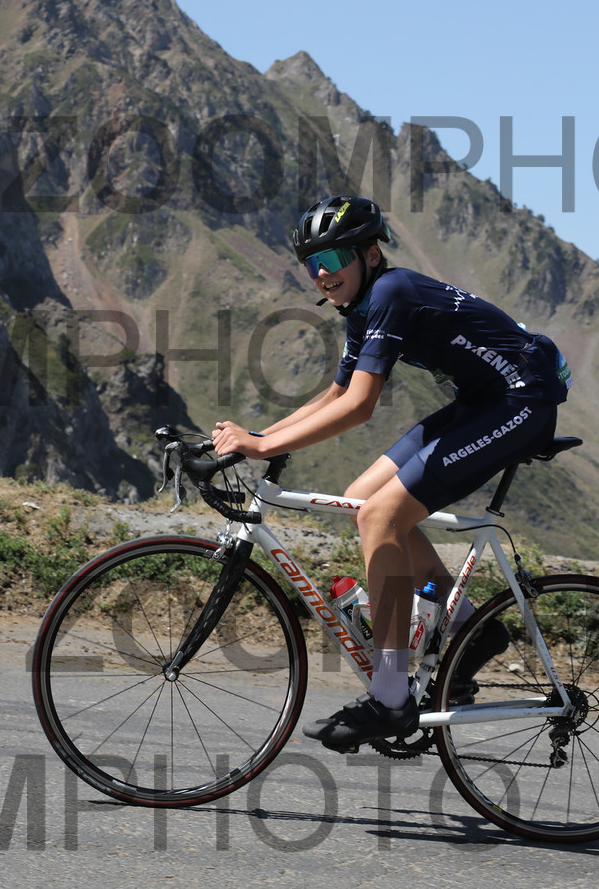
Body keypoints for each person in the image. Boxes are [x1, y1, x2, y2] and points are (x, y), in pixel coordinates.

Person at [211, 194, 571, 749]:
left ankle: (390, 697)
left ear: (371, 254)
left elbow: (359, 407)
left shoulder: (391, 293)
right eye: (312, 264)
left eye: (333, 259)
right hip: (483, 401)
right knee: (363, 499)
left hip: (522, 402)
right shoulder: (364, 306)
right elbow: (336, 393)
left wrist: (261, 446)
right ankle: (470, 630)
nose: (322, 274)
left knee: (381, 517)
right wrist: (256, 439)